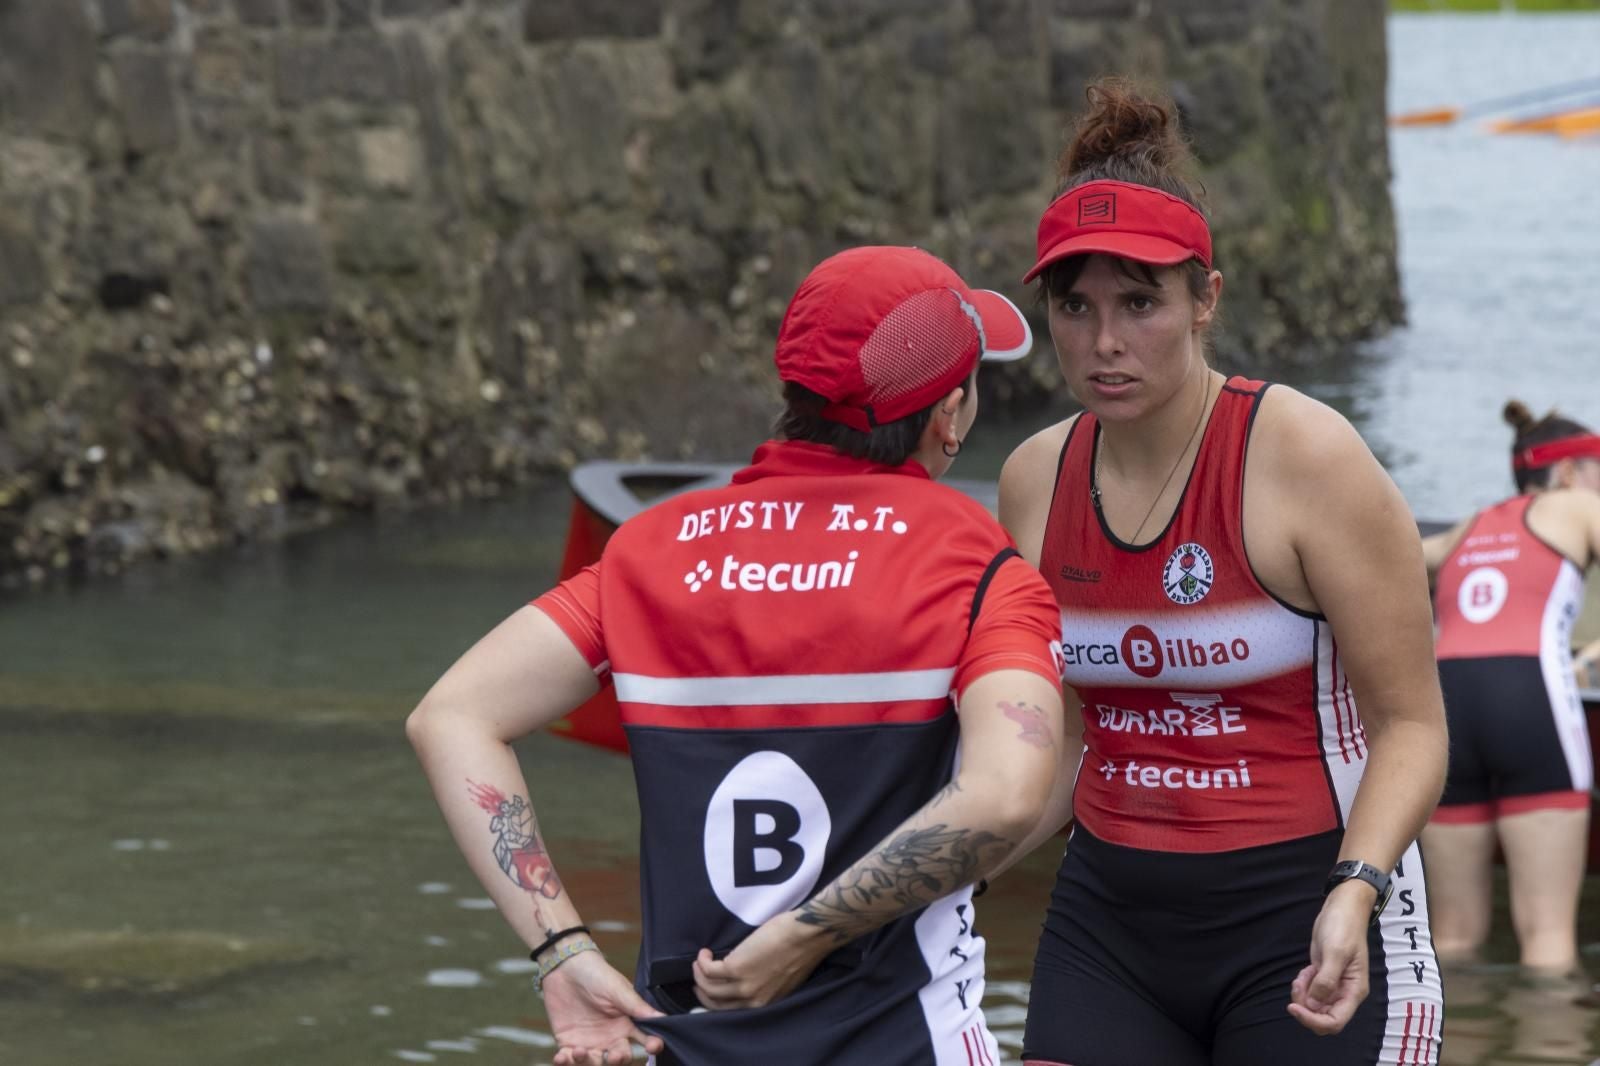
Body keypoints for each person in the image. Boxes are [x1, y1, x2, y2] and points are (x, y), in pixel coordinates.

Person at [407, 245, 1068, 1066]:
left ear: (792, 391)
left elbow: (451, 717)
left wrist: (564, 954)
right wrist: (801, 937)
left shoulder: (649, 552)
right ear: (949, 415)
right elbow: (1006, 797)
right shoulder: (975, 563)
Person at [995, 79, 1449, 1065]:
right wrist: (929, 876)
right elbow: (1060, 740)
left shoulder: (1306, 456)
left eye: (1140, 303)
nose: (1105, 343)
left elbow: (1412, 725)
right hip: (1109, 922)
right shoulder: (1035, 478)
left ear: (1207, 299)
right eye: (1075, 306)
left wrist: (1355, 887)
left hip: (1307, 910)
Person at [1419, 401, 1600, 976]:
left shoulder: (1468, 527)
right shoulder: (1576, 507)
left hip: (1446, 705)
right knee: (1548, 945)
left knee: (1451, 941)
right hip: (1530, 695)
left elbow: (1393, 568)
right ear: (1569, 473)